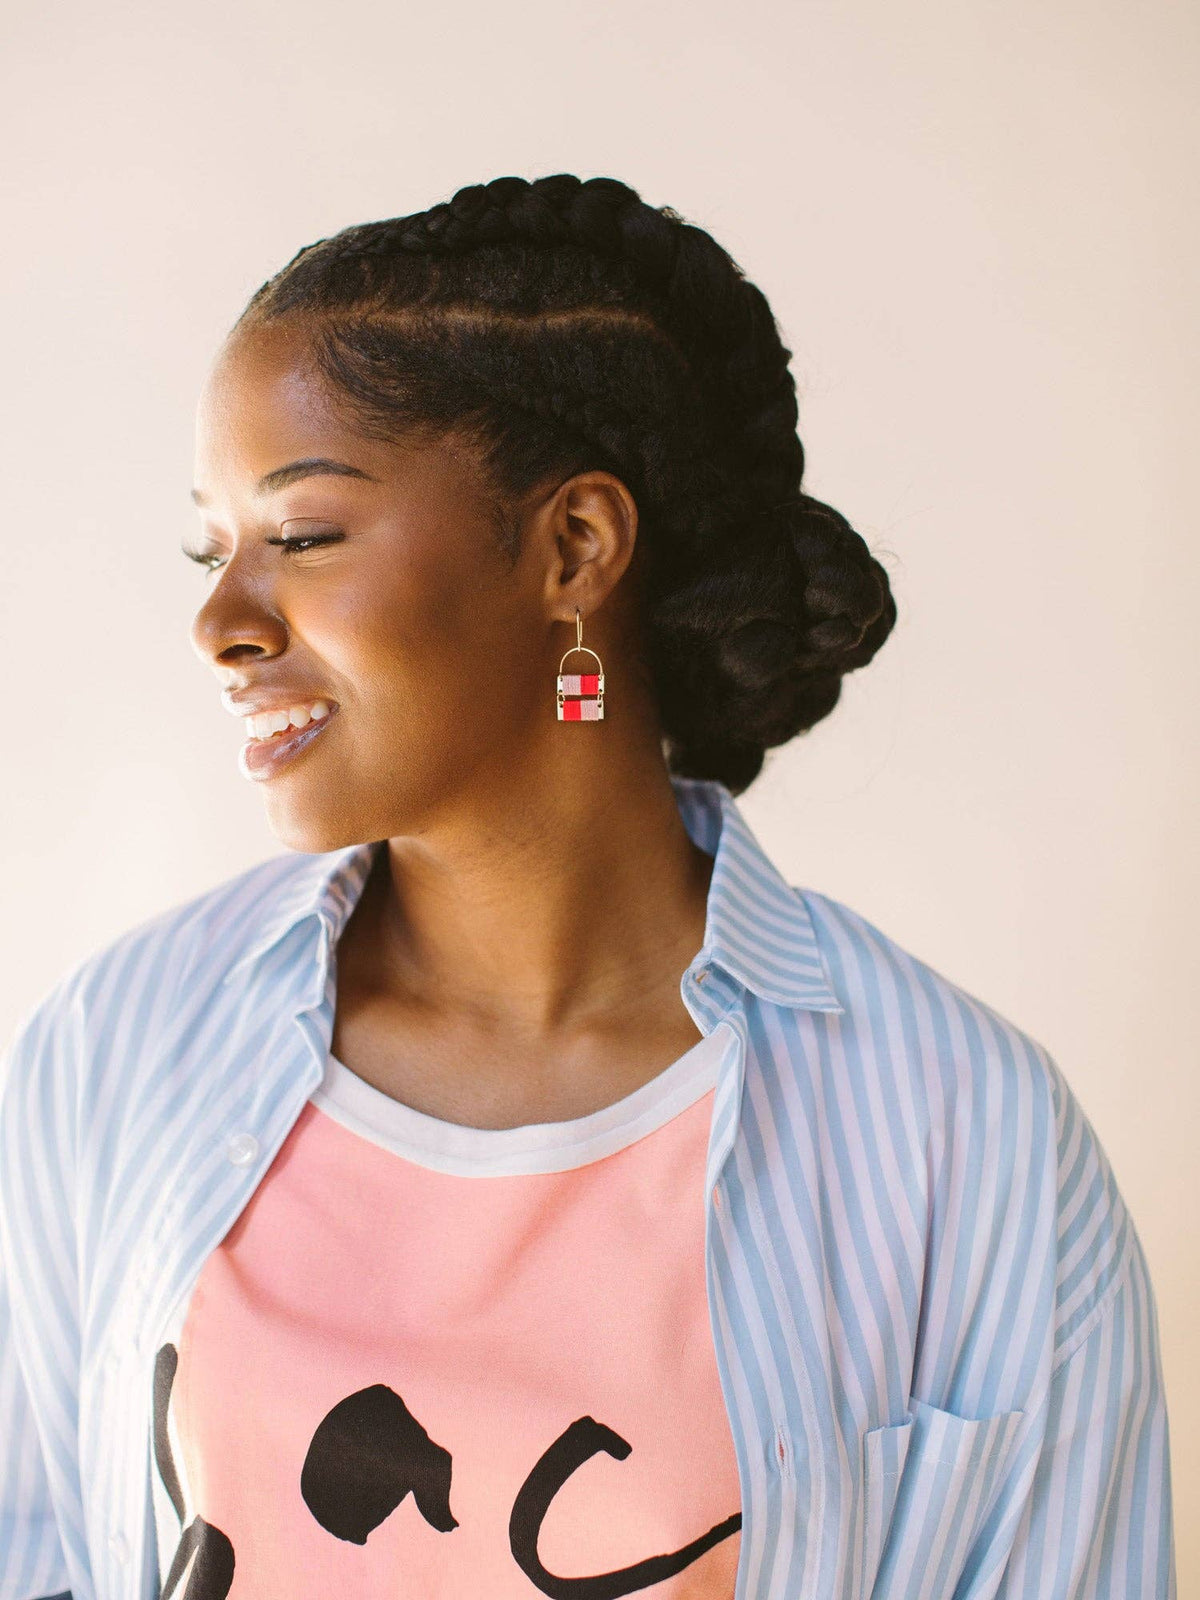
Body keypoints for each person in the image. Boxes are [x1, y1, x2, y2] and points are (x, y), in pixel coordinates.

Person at [0, 173, 1174, 1600]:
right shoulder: (113, 1050)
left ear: (574, 548)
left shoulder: (968, 1141)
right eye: (214, 549)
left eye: (302, 538)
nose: (222, 622)